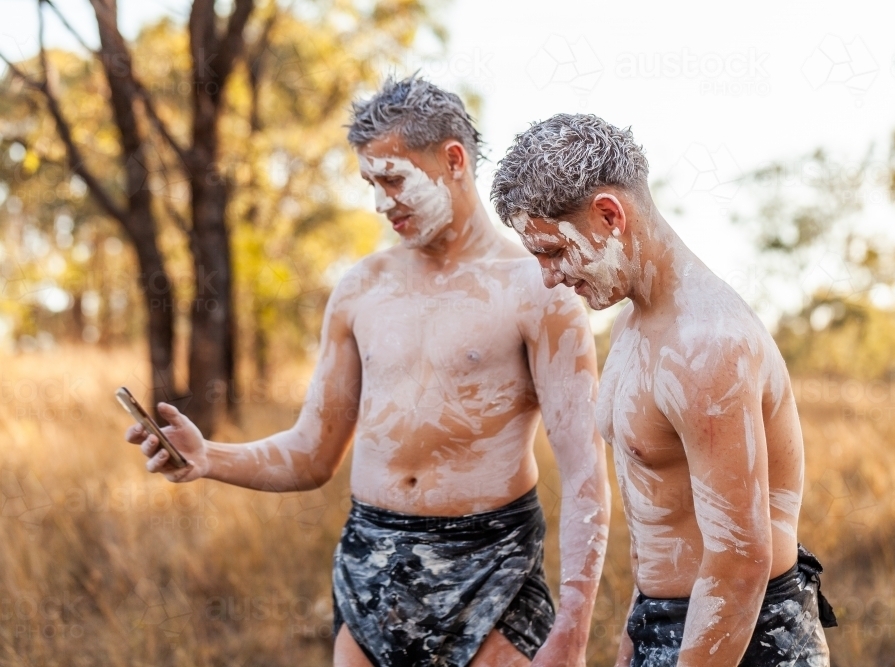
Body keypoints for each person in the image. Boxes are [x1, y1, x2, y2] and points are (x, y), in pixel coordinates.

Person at [126, 78, 610, 667]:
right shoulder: (360, 289)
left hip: (490, 572)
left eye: (393, 179)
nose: (381, 203)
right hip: (368, 569)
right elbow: (310, 453)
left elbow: (586, 472)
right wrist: (209, 458)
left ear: (453, 159)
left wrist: (573, 631)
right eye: (369, 184)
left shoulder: (539, 289)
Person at [491, 114, 836, 667]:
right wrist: (636, 635)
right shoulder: (634, 324)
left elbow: (740, 561)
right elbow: (659, 508)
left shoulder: (705, 345)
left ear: (609, 215)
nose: (549, 276)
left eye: (553, 251)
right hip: (668, 619)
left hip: (749, 635)